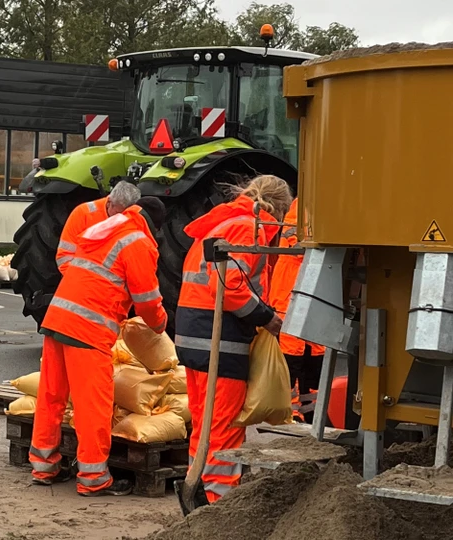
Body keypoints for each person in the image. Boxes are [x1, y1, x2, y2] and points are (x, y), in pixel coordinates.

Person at [29, 182, 168, 497]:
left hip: (57, 319)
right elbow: (146, 299)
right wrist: (159, 324)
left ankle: (44, 465)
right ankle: (93, 479)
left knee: (51, 395)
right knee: (94, 404)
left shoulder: (103, 231)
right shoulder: (138, 241)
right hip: (88, 330)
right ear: (153, 224)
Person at [174, 174, 291, 503]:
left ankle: (195, 490)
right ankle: (219, 502)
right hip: (219, 340)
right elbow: (229, 288)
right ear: (280, 207)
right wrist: (269, 319)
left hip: (195, 334)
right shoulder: (247, 227)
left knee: (205, 421)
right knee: (224, 427)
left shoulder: (221, 222)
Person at [267, 197, 326, 423]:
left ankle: (311, 412)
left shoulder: (316, 203)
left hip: (310, 292)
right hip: (291, 294)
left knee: (314, 355)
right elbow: (298, 246)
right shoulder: (306, 205)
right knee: (293, 355)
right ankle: (290, 412)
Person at [56, 181, 151, 272]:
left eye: (126, 214)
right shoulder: (83, 213)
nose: (121, 218)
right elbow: (64, 257)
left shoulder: (133, 217)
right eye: (118, 213)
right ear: (109, 202)